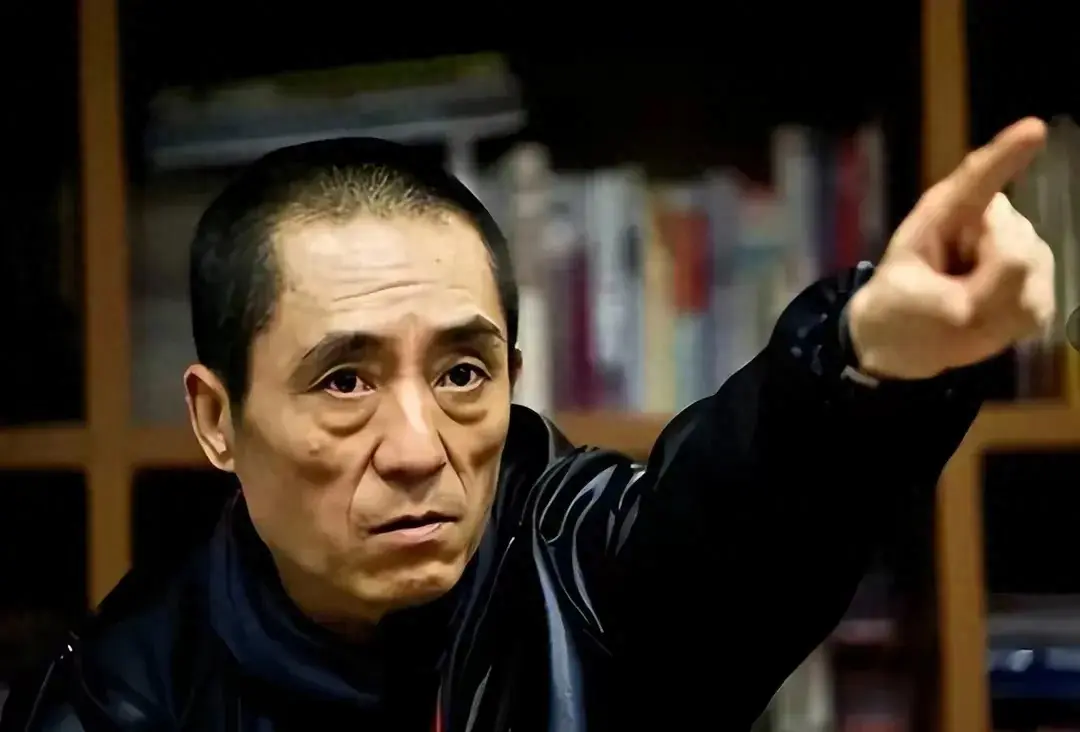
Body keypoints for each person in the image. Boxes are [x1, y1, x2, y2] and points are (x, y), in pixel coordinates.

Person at [0, 118, 1054, 732]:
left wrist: (873, 351)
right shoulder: (117, 698)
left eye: (463, 374)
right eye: (345, 383)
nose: (419, 449)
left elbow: (736, 513)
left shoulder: (584, 573)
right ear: (217, 419)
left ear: (514, 372)